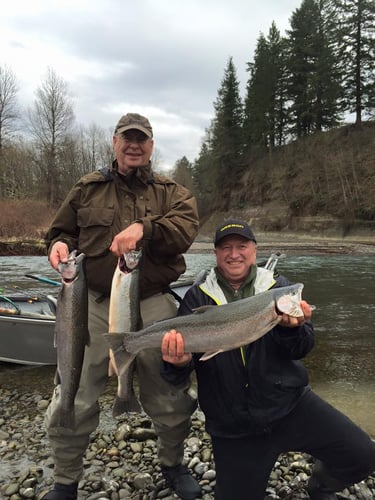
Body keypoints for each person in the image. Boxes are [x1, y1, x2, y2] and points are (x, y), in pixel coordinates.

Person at [41, 113, 202, 500]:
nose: (134, 145)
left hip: (154, 304)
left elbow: (185, 229)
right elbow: (61, 231)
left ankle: (172, 462)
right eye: (127, 138)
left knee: (169, 392)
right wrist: (56, 246)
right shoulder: (87, 188)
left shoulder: (172, 193)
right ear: (114, 142)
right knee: (72, 392)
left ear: (151, 145)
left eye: (141, 139)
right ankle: (65, 479)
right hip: (91, 304)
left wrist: (145, 229)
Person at [161, 219, 375, 500]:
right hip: (233, 425)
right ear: (215, 254)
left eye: (242, 246)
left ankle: (322, 485)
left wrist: (292, 329)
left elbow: (302, 348)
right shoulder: (195, 297)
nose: (234, 254)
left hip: (291, 406)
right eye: (226, 247)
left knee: (363, 455)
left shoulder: (279, 287)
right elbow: (178, 375)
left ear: (254, 250)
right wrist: (176, 363)